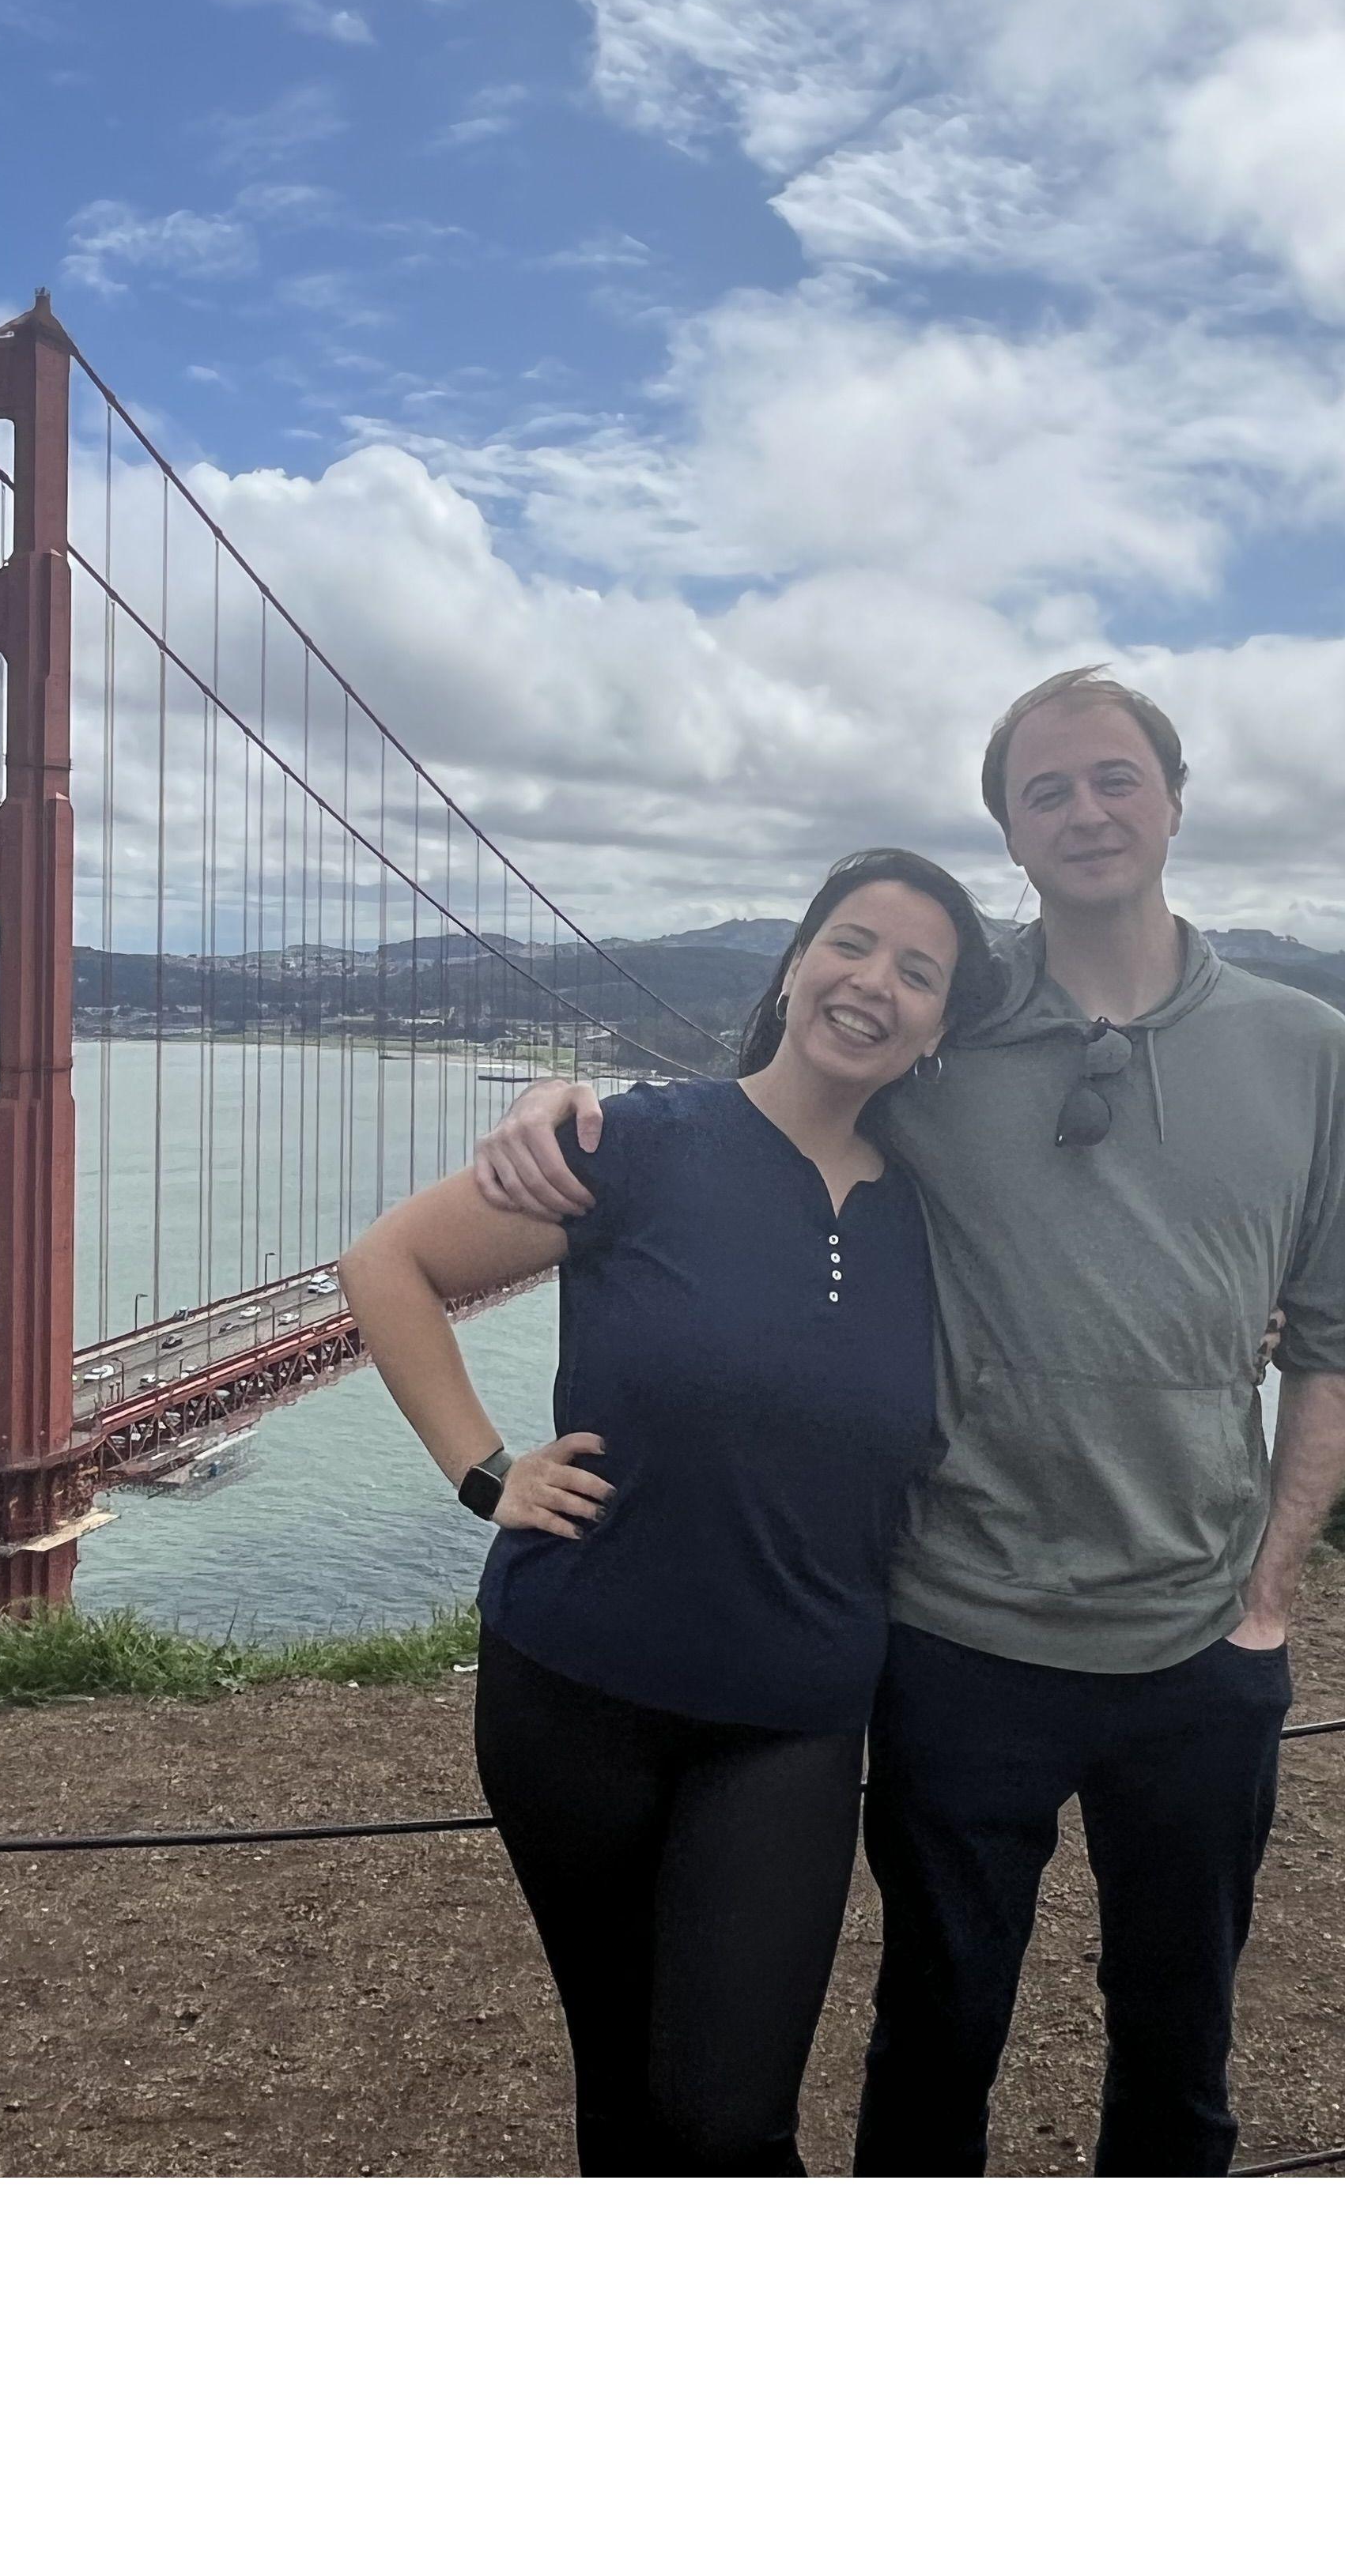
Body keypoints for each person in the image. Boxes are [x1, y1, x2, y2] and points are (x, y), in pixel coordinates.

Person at [473, 667, 1345, 2175]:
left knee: (1183, 2039)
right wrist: (567, 1107)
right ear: (1011, 837)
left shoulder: (1313, 1053)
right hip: (961, 1638)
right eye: (1048, 791)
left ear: (1174, 799)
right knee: (935, 2035)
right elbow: (769, 1122)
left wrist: (1271, 1597)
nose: (1086, 811)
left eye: (1114, 779)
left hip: (1198, 1648)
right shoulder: (944, 1040)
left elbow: (1338, 1344)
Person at [341, 847, 997, 2175]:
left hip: (794, 1716)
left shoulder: (941, 1221)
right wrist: (487, 1473)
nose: (875, 984)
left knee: (726, 2120)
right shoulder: (635, 1143)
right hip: (573, 1687)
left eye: (919, 972)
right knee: (628, 2097)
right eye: (852, 944)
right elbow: (389, 1263)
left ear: (939, 1026)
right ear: (797, 961)